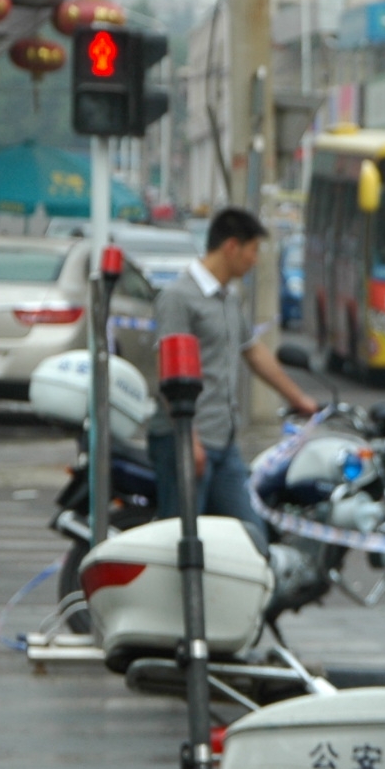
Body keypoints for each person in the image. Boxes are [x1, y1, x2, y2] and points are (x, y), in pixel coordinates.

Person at [150, 207, 318, 539]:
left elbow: (252, 351)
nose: (255, 260)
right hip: (184, 440)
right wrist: (190, 441)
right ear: (231, 247)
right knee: (182, 540)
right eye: (253, 250)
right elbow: (167, 375)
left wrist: (299, 398)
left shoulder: (228, 298)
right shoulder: (178, 298)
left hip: (224, 441)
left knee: (251, 536)